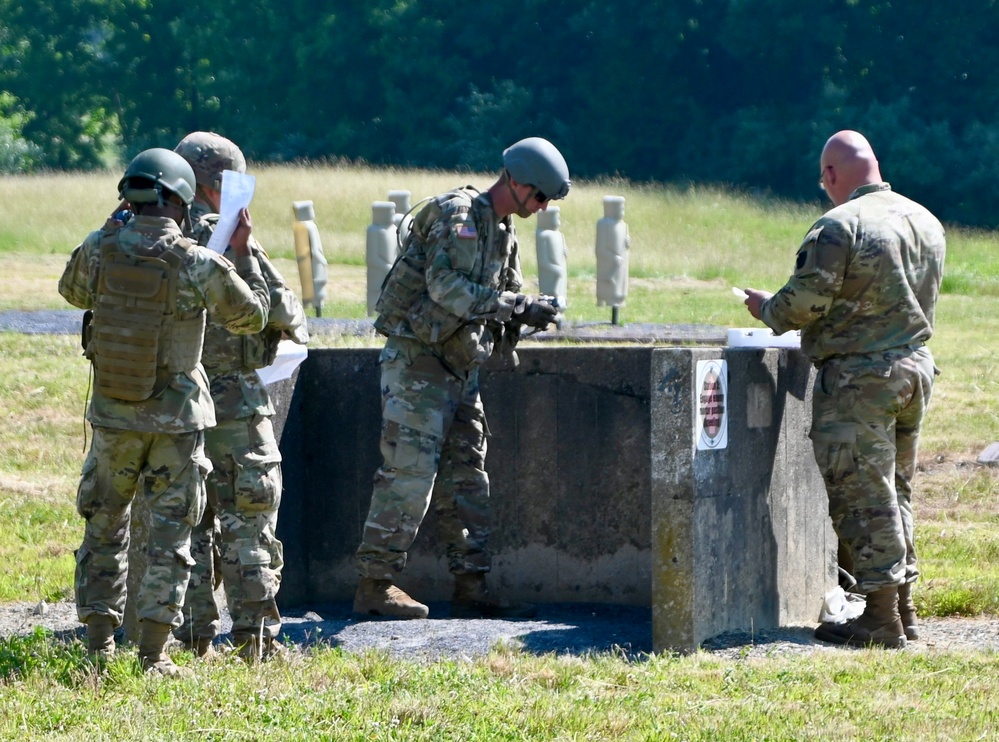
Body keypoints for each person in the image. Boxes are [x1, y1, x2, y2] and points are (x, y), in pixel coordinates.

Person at [58, 148, 272, 676]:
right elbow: (252, 317)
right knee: (170, 537)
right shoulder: (196, 261)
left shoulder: (100, 247)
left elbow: (70, 290)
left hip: (113, 416)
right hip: (176, 424)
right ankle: (153, 655)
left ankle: (99, 649)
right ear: (180, 199)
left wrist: (108, 232)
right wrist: (242, 255)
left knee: (104, 529)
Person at [352, 137, 570, 619]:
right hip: (418, 363)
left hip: (458, 367)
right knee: (408, 474)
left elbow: (499, 293)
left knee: (467, 477)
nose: (542, 207)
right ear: (514, 181)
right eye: (539, 196)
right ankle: (375, 584)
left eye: (548, 201)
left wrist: (529, 310)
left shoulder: (502, 231)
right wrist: (515, 304)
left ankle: (472, 583)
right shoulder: (460, 214)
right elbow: (445, 287)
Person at [744, 130, 945, 649]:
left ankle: (879, 620)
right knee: (894, 492)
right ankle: (903, 608)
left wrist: (765, 308)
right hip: (914, 369)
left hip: (859, 381)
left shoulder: (838, 226)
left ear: (830, 175)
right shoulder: (925, 220)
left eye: (822, 179)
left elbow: (801, 305)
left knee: (862, 497)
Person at [172, 131, 309, 661]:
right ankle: (256, 641)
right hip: (236, 407)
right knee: (249, 524)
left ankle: (192, 639)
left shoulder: (154, 236)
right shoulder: (227, 236)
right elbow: (286, 314)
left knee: (189, 528)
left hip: (178, 404)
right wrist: (246, 254)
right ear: (223, 185)